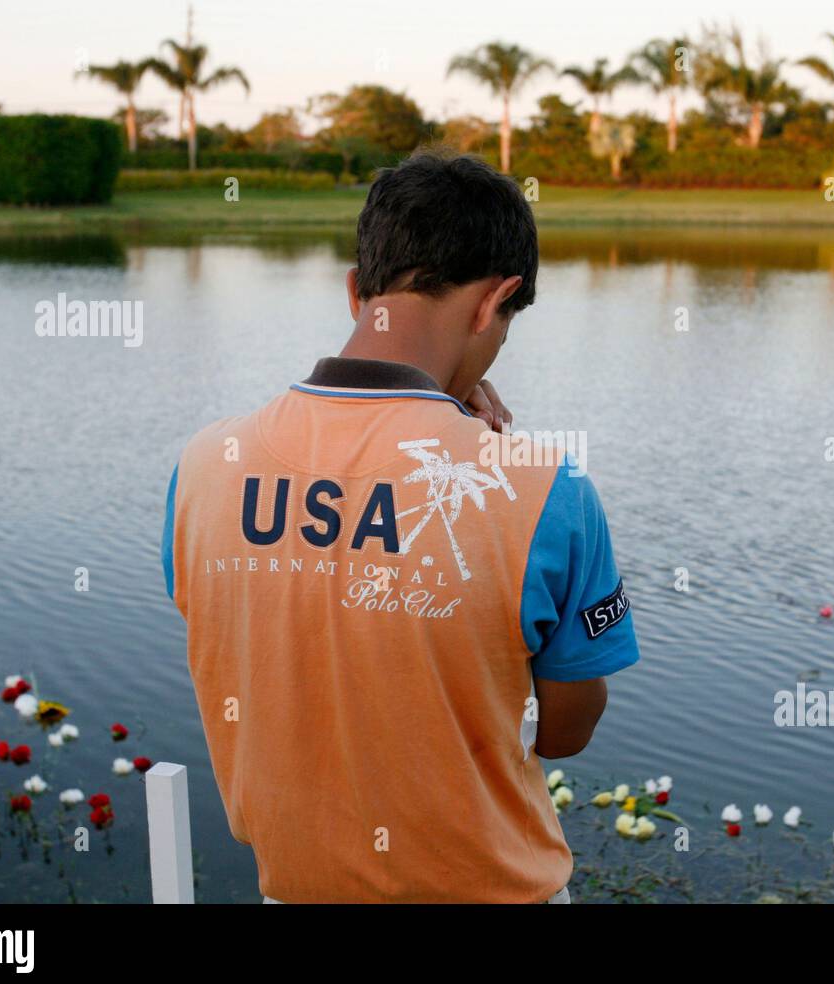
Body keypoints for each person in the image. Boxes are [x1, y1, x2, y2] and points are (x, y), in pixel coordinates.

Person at [161, 149, 638, 903]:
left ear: (356, 292)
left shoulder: (202, 466)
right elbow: (567, 729)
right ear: (495, 302)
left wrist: (435, 413)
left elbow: (282, 630)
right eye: (505, 321)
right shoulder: (548, 486)